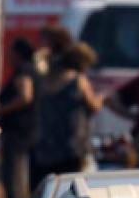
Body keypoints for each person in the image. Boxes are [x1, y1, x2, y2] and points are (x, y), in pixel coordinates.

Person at [32, 43, 104, 185]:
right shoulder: (78, 81)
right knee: (69, 186)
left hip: (46, 145)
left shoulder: (47, 79)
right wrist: (102, 98)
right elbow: (94, 106)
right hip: (71, 146)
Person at [0, 37, 38, 198]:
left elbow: (25, 96)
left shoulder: (24, 72)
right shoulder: (32, 70)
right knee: (19, 179)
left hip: (19, 132)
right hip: (26, 131)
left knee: (13, 179)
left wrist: (1, 111)